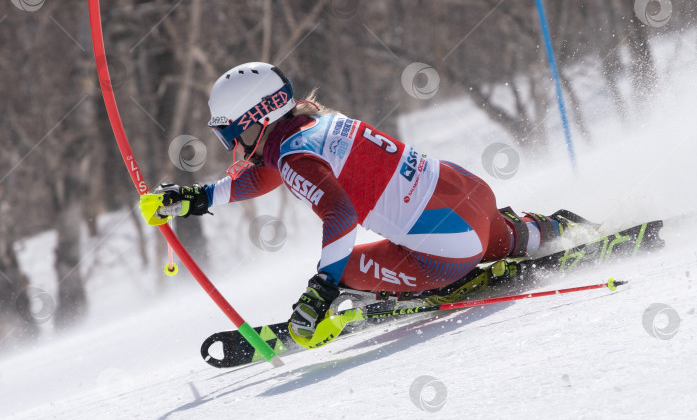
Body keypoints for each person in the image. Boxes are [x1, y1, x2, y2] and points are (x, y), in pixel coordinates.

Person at [139, 62, 587, 349]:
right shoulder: (314, 123)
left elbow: (340, 216)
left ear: (256, 119)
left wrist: (323, 289)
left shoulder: (293, 156)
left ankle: (382, 295)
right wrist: (196, 198)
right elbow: (263, 175)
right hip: (472, 193)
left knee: (346, 265)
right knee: (473, 228)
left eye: (229, 132)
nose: (231, 143)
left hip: (449, 250)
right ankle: (534, 232)